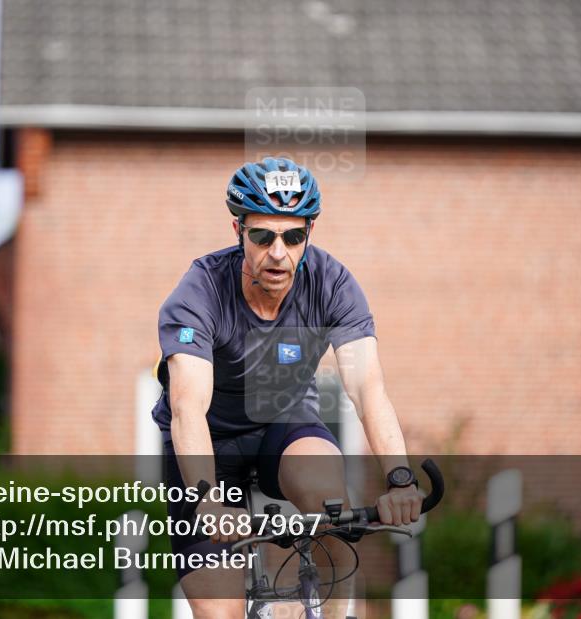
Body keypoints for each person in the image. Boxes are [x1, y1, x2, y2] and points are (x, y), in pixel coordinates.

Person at [153, 156, 422, 619]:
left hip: (286, 422)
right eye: (263, 236)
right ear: (238, 230)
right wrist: (208, 498)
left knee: (331, 504)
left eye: (293, 236)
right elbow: (187, 409)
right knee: (220, 613)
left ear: (308, 234)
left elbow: (368, 391)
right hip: (207, 445)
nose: (278, 252)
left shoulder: (332, 285)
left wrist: (400, 478)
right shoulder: (200, 291)